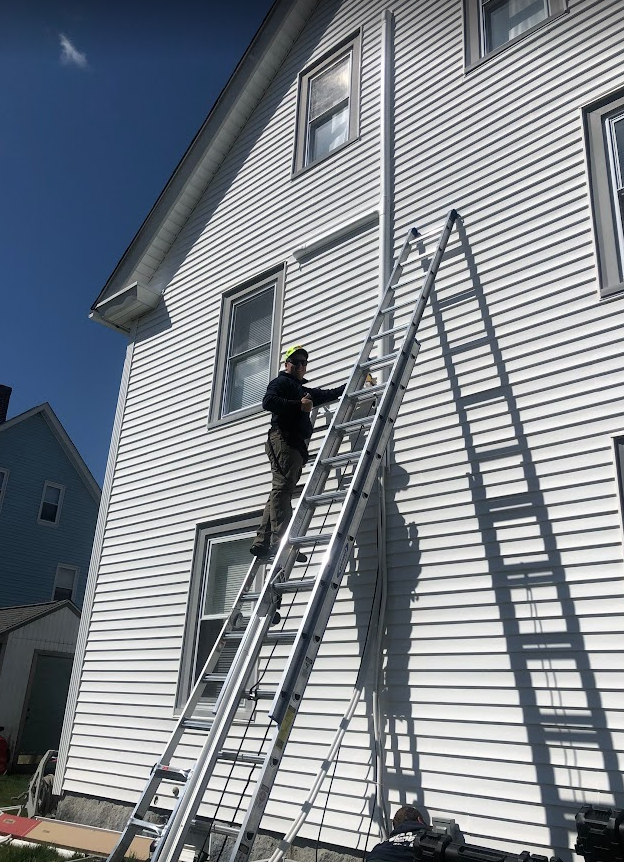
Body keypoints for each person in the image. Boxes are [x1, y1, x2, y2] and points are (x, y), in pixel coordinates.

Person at [250, 344, 345, 560]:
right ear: (287, 364)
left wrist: (354, 383)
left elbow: (329, 394)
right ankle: (282, 543)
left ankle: (262, 542)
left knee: (280, 490)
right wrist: (297, 405)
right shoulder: (281, 382)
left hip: (294, 445)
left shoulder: (305, 390)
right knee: (283, 489)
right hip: (283, 439)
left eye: (304, 362)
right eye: (296, 362)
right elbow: (268, 402)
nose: (301, 365)